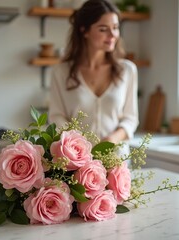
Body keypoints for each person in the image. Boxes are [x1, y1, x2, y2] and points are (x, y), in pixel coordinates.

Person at [48, 0, 139, 145]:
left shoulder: (127, 70)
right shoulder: (61, 72)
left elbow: (131, 119)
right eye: (103, 29)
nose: (112, 35)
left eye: (115, 27)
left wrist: (111, 140)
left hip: (117, 160)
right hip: (76, 161)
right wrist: (79, 146)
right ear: (84, 30)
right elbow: (56, 116)